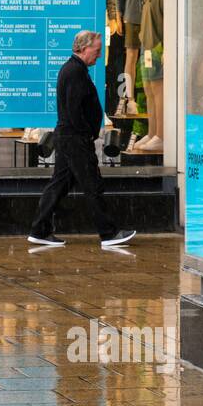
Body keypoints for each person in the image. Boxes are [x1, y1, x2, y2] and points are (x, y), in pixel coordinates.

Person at [27, 30, 136, 249]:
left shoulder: (74, 69)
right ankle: (109, 233)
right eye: (96, 51)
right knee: (92, 185)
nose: (98, 55)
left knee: (59, 185)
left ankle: (39, 230)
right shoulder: (75, 72)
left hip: (70, 137)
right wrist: (86, 133)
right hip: (75, 139)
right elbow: (74, 109)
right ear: (84, 48)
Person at [129, 0, 165, 153]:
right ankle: (153, 133)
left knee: (159, 92)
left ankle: (162, 134)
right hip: (147, 48)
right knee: (150, 91)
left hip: (157, 48)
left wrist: (165, 48)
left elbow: (168, 22)